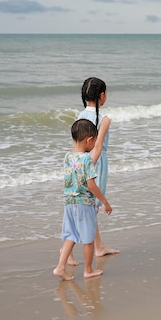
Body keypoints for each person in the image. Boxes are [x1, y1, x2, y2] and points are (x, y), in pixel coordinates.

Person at [66, 77, 119, 265]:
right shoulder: (104, 119)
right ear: (102, 95)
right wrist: (88, 166)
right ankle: (81, 250)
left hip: (77, 162)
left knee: (85, 206)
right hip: (95, 164)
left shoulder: (80, 116)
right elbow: (96, 147)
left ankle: (98, 247)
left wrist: (77, 165)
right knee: (90, 207)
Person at [53, 119, 113, 280]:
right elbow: (91, 185)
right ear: (89, 139)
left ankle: (60, 267)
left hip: (69, 202)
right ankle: (88, 270)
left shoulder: (68, 157)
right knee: (88, 238)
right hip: (84, 203)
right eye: (94, 142)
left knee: (70, 235)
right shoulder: (86, 159)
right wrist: (105, 202)